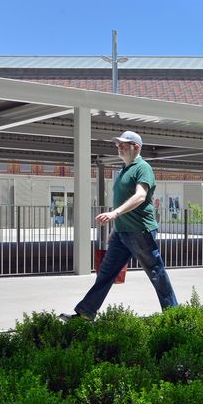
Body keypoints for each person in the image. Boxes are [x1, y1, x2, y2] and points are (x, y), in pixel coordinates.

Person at [60, 130, 178, 321]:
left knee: (156, 271)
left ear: (136, 147)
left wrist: (114, 214)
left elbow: (140, 196)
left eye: (124, 144)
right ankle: (86, 313)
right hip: (122, 232)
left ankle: (174, 314)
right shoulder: (124, 170)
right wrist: (116, 228)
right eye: (117, 145)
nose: (119, 148)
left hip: (140, 230)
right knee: (106, 272)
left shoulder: (143, 167)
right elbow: (124, 199)